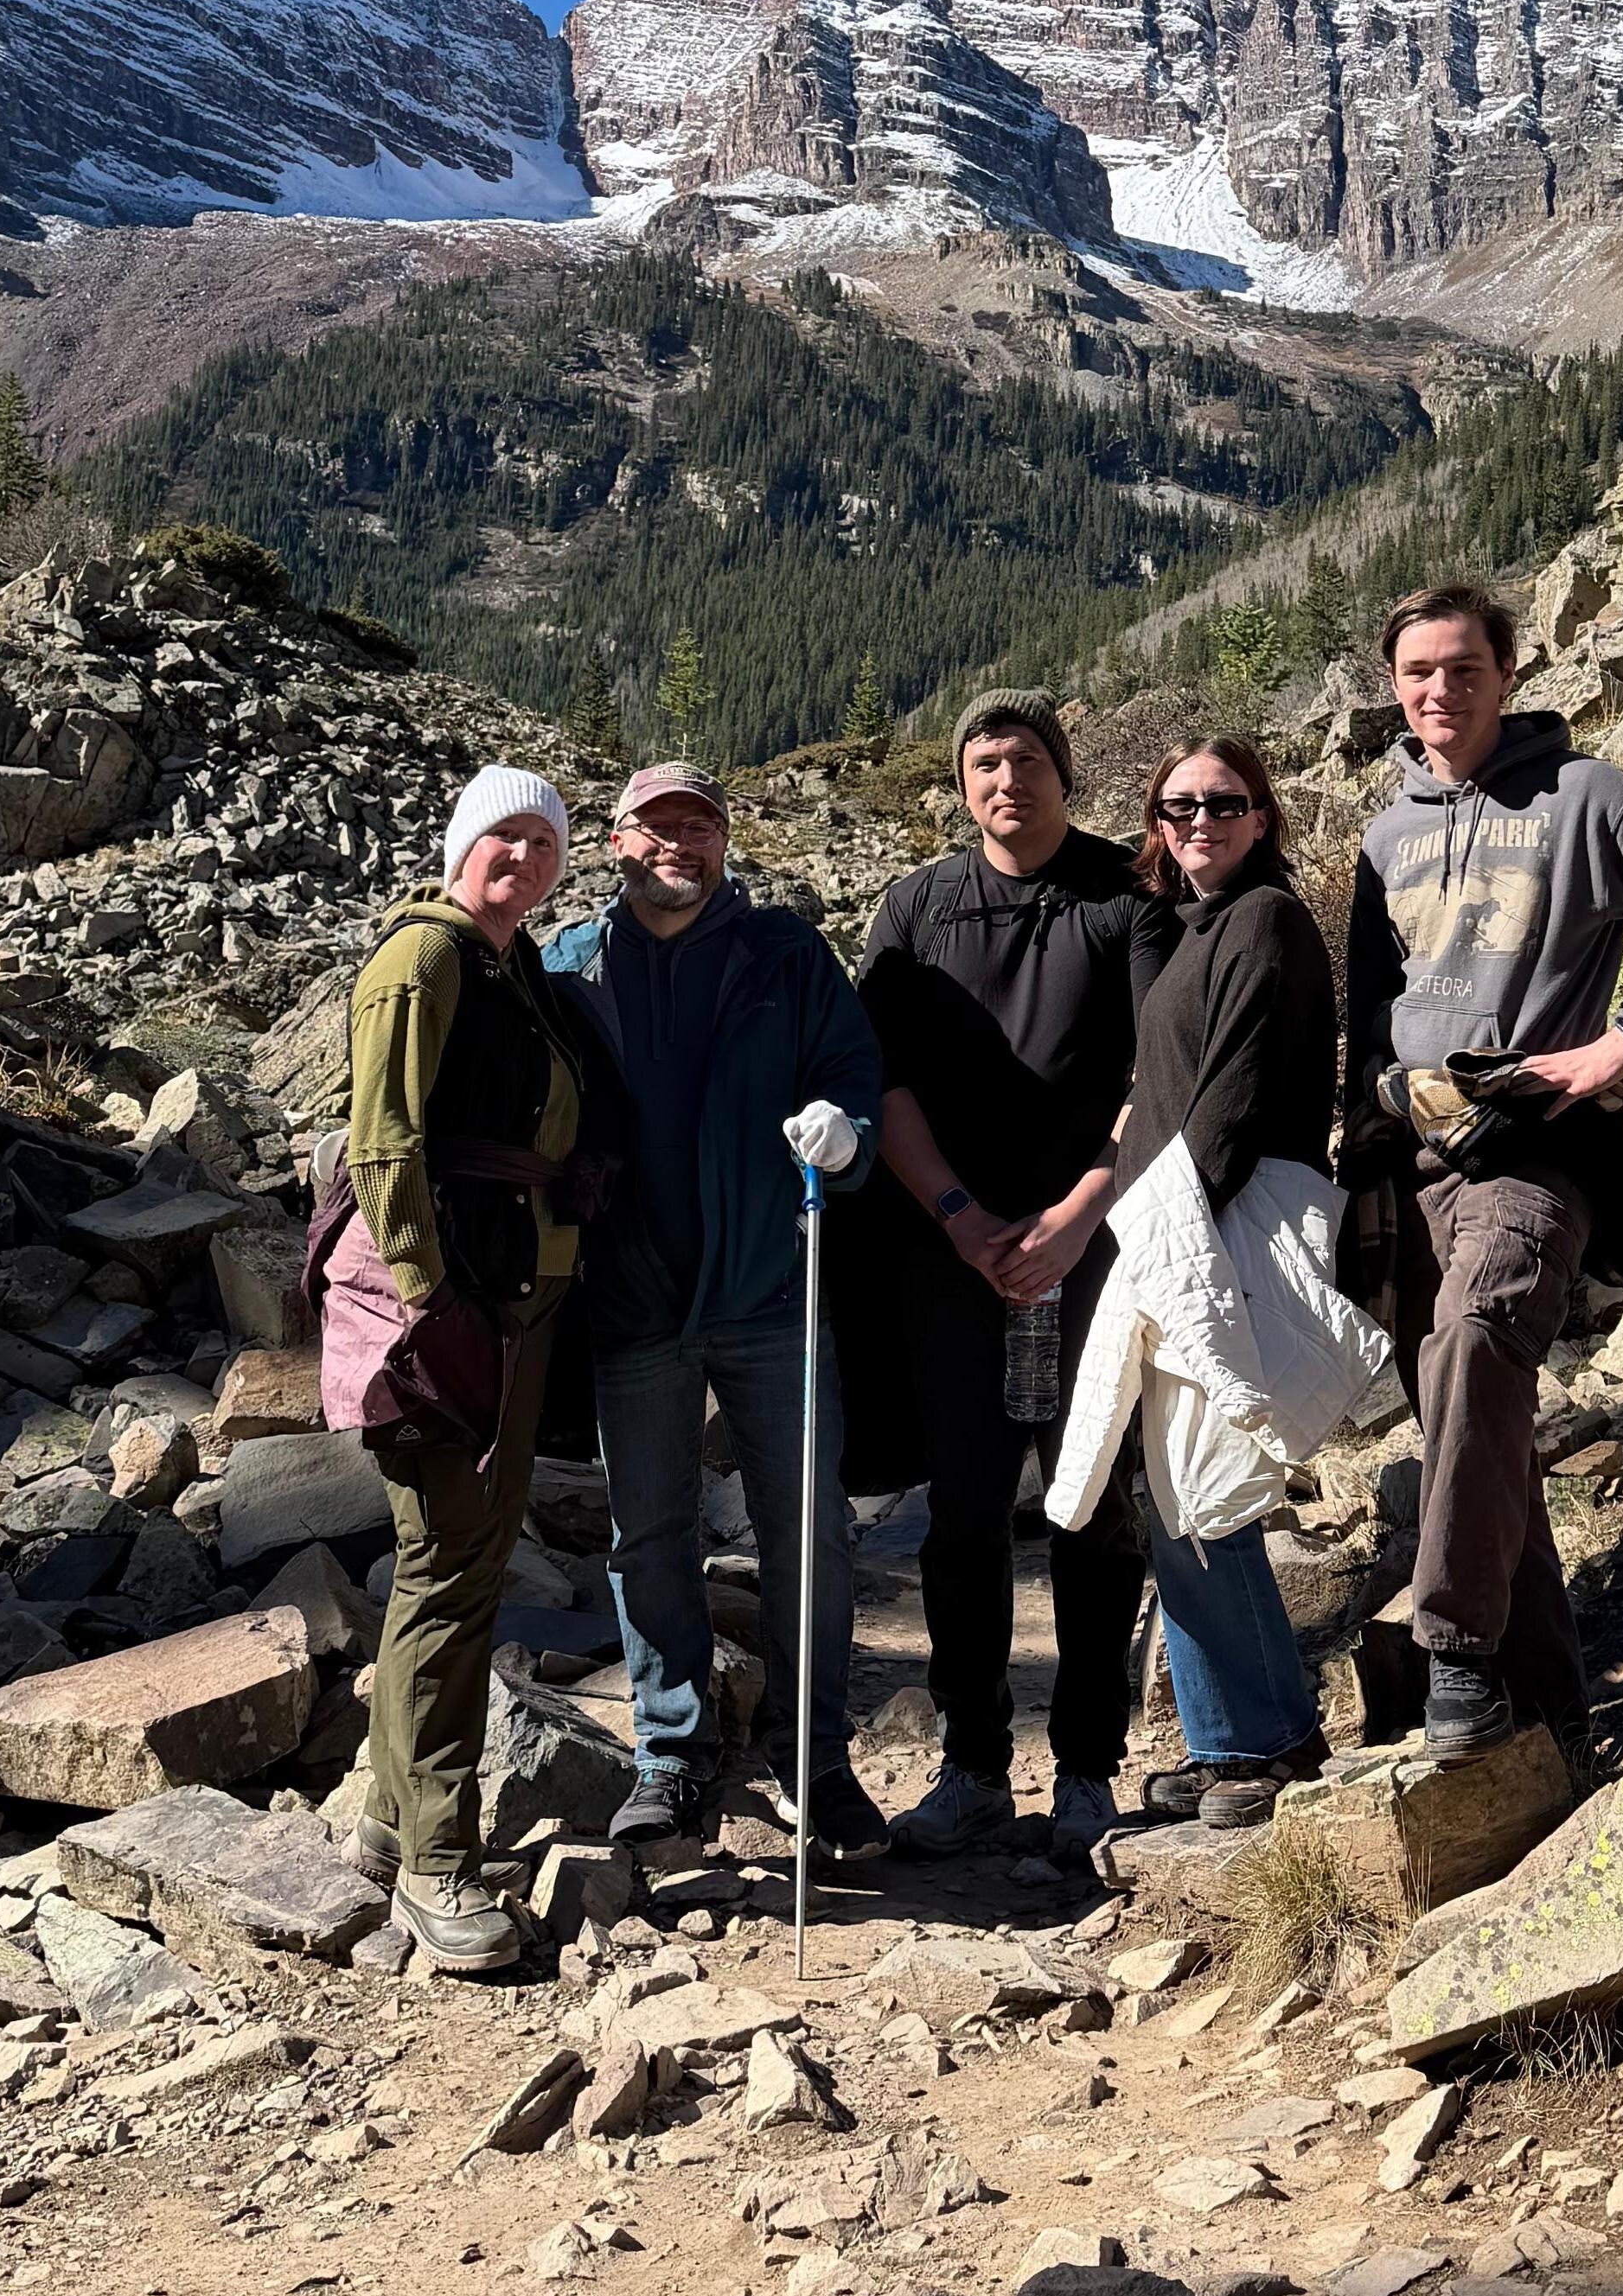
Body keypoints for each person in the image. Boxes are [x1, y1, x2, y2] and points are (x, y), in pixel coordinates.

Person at [1341, 580, 1623, 1764]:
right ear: (1394, 686)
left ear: (1507, 676)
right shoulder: (1386, 836)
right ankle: (1547, 1725)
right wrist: (1382, 1095)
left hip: (1540, 1150)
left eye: (1463, 668)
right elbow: (1365, 1027)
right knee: (1473, 1426)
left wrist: (1617, 1044)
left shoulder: (1586, 797)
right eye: (1418, 671)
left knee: (1478, 1342)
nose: (1440, 689)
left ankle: (1455, 1652)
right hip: (1414, 1167)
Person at [545, 759, 891, 1870]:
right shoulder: (567, 968)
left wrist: (845, 1135)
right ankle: (674, 1752)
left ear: (726, 842)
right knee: (648, 1535)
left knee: (811, 1535)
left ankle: (814, 1761)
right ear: (616, 842)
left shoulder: (786, 954)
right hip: (633, 1298)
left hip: (769, 1289)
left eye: (698, 826)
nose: (677, 846)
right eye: (655, 827)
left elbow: (853, 1075)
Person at [322, 762, 602, 1974]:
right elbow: (383, 1143)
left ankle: (386, 1822)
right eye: (506, 837)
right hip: (454, 1312)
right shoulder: (424, 961)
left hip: (511, 1305)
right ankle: (444, 1862)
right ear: (460, 842)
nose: (525, 860)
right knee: (448, 1572)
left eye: (544, 844)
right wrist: (430, 1302)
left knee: (460, 1565)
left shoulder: (509, 966)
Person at [859, 693, 1147, 1859]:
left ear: (1063, 774)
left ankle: (1087, 1769)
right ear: (961, 783)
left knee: (1093, 1506)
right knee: (965, 1513)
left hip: (1096, 1249)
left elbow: (1162, 1079)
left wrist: (1078, 1215)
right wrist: (961, 1217)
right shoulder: (918, 908)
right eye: (983, 763)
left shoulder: (1129, 896)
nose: (1004, 781)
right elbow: (881, 1085)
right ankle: (972, 1763)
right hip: (955, 1260)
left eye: (1025, 760)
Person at [1066, 735, 1354, 1829]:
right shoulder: (1195, 927)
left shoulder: (1266, 920)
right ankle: (1226, 1731)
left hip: (1218, 1224)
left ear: (1263, 816)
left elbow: (1229, 1103)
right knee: (1173, 1487)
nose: (1199, 820)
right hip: (1183, 1221)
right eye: (1177, 804)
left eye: (1223, 804)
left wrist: (1163, 1238)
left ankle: (1265, 1738)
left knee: (1203, 1486)